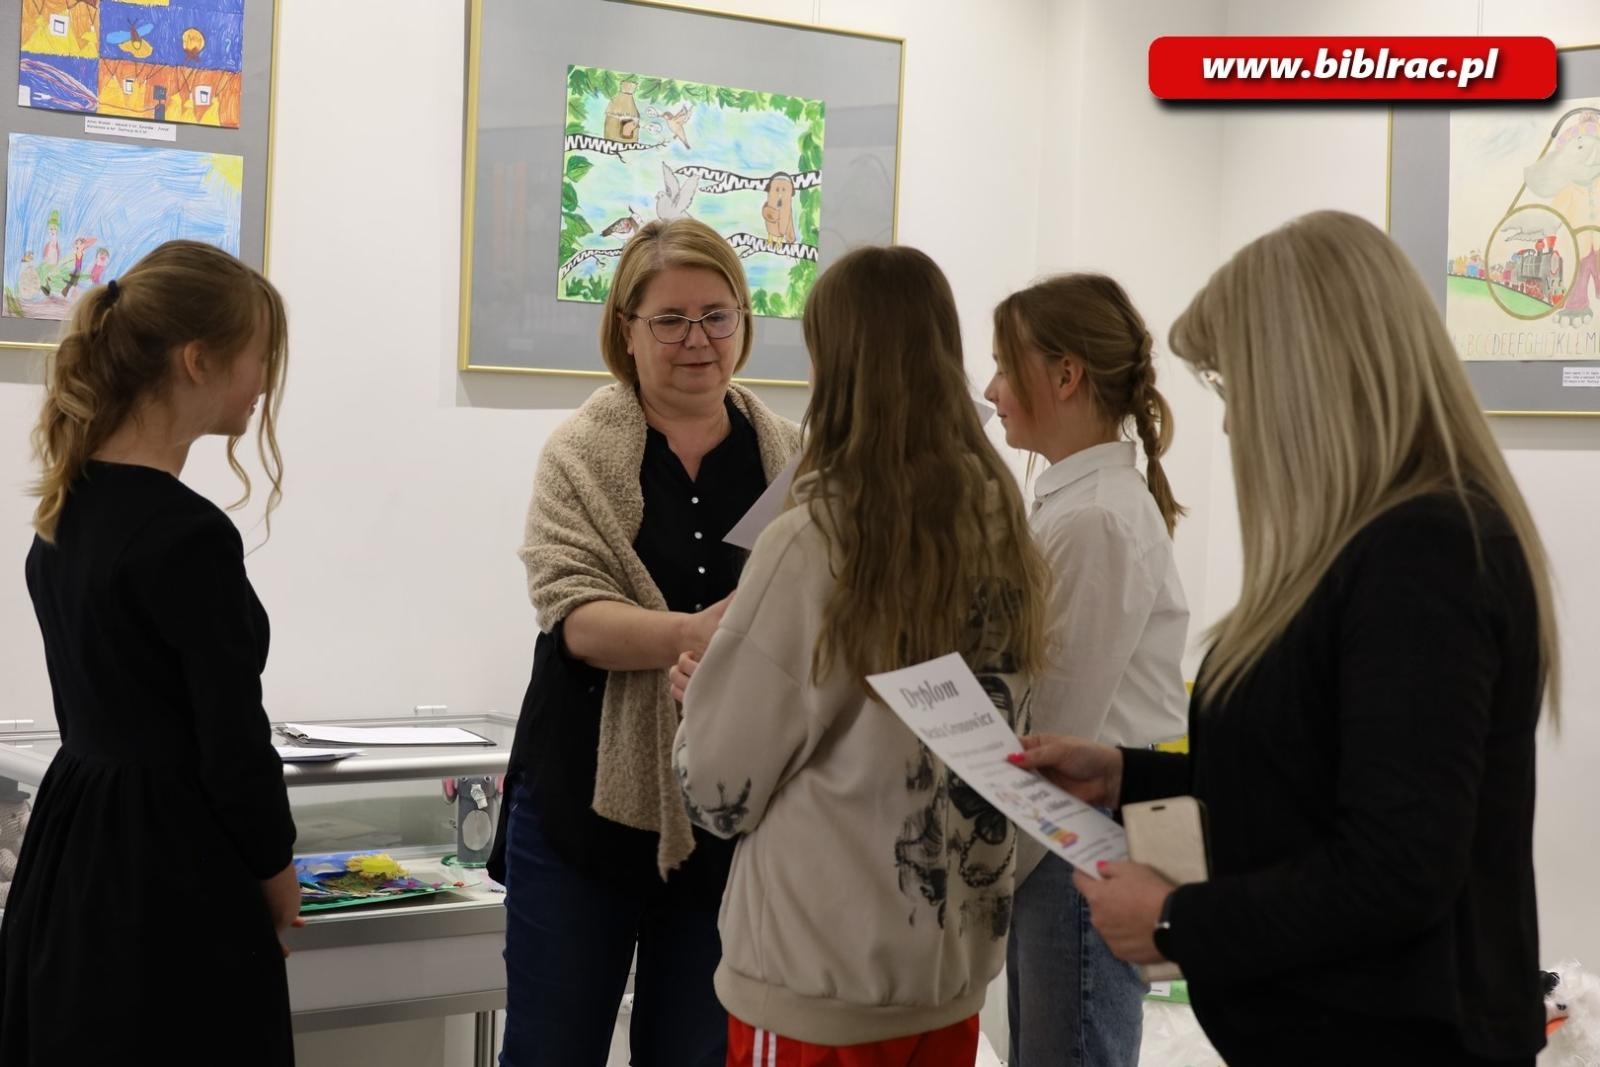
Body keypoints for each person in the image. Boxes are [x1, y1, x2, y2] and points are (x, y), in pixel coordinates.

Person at [1014, 210, 1560, 1067]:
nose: (1231, 428)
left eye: (1235, 388)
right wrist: (1129, 773)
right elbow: (1312, 768)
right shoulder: (1373, 543)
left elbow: (1396, 865)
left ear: (1309, 377)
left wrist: (1172, 917)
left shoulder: (1426, 550)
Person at [671, 245, 1049, 1066]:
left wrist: (700, 700)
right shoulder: (1000, 518)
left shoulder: (815, 537)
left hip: (821, 983)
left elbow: (719, 789)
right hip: (949, 972)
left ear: (836, 364)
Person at [492, 217, 801, 1066]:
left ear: (744, 320)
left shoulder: (790, 457)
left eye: (717, 315)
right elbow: (575, 615)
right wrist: (701, 636)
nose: (696, 340)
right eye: (669, 319)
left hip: (726, 818)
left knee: (698, 1054)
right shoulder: (580, 455)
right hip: (582, 815)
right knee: (551, 1051)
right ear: (626, 329)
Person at [0, 240, 299, 1063]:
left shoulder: (68, 514)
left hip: (76, 847)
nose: (266, 380)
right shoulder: (189, 536)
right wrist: (277, 871)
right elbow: (233, 739)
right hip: (173, 863)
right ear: (198, 361)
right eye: (259, 357)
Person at [985, 274, 1189, 1066]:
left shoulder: (1096, 515)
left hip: (1077, 840)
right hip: (1065, 839)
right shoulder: (1074, 503)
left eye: (1006, 365)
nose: (993, 389)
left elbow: (1052, 725)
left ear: (1066, 376)